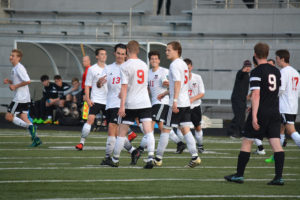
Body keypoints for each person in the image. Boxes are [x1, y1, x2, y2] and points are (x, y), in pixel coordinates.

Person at [224, 42, 285, 185]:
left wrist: (254, 115)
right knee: (276, 143)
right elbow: (276, 92)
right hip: (274, 111)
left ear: (255, 55)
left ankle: (239, 175)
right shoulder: (276, 71)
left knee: (247, 141)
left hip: (262, 111)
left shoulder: (256, 71)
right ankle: (279, 177)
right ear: (268, 54)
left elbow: (256, 94)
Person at [154, 41, 201, 168]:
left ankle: (158, 158)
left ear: (176, 51)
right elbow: (180, 84)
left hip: (177, 103)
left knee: (165, 129)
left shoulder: (174, 65)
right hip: (185, 102)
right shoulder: (183, 64)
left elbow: (178, 83)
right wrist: (165, 93)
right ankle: (195, 156)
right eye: (166, 50)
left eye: (169, 50)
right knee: (185, 129)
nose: (166, 52)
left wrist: (174, 101)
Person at [109, 40, 155, 169]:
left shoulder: (125, 66)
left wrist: (122, 105)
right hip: (144, 102)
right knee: (148, 132)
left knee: (121, 133)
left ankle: (115, 159)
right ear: (138, 50)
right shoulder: (144, 65)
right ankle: (150, 158)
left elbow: (124, 87)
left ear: (127, 50)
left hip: (130, 103)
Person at [97, 43, 140, 166]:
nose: (120, 56)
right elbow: (99, 85)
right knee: (117, 133)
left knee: (112, 130)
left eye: (123, 54)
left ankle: (108, 157)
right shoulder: (108, 68)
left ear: (126, 54)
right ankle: (134, 151)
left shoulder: (129, 67)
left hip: (121, 104)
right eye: (118, 53)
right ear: (114, 53)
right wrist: (99, 83)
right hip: (110, 104)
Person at [3, 49, 41, 147]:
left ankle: (31, 127)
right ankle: (36, 139)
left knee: (8, 116)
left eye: (13, 56)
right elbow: (20, 81)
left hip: (20, 98)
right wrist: (11, 82)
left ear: (18, 58)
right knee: (24, 118)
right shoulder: (15, 68)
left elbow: (27, 81)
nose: (11, 57)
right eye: (11, 55)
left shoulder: (19, 68)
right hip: (24, 97)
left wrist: (14, 86)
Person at [75, 48, 107, 150]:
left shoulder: (109, 68)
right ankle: (81, 142)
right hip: (96, 100)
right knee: (90, 119)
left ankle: (128, 146)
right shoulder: (92, 69)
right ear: (97, 56)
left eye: (105, 54)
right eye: (101, 54)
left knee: (114, 124)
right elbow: (87, 85)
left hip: (108, 101)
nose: (104, 56)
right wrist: (88, 99)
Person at [184, 58, 205, 153]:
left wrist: (192, 99)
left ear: (191, 67)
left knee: (198, 127)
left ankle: (200, 145)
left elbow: (202, 93)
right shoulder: (180, 79)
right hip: (184, 107)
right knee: (183, 128)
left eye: (188, 68)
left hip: (195, 106)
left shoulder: (197, 77)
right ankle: (186, 146)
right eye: (185, 68)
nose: (186, 70)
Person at [227, 60, 252, 138]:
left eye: (249, 67)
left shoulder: (248, 75)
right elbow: (240, 74)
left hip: (242, 99)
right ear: (244, 66)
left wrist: (248, 96)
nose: (248, 68)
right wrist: (243, 70)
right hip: (236, 98)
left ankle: (241, 133)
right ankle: (232, 132)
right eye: (246, 66)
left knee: (242, 117)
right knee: (238, 116)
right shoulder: (240, 73)